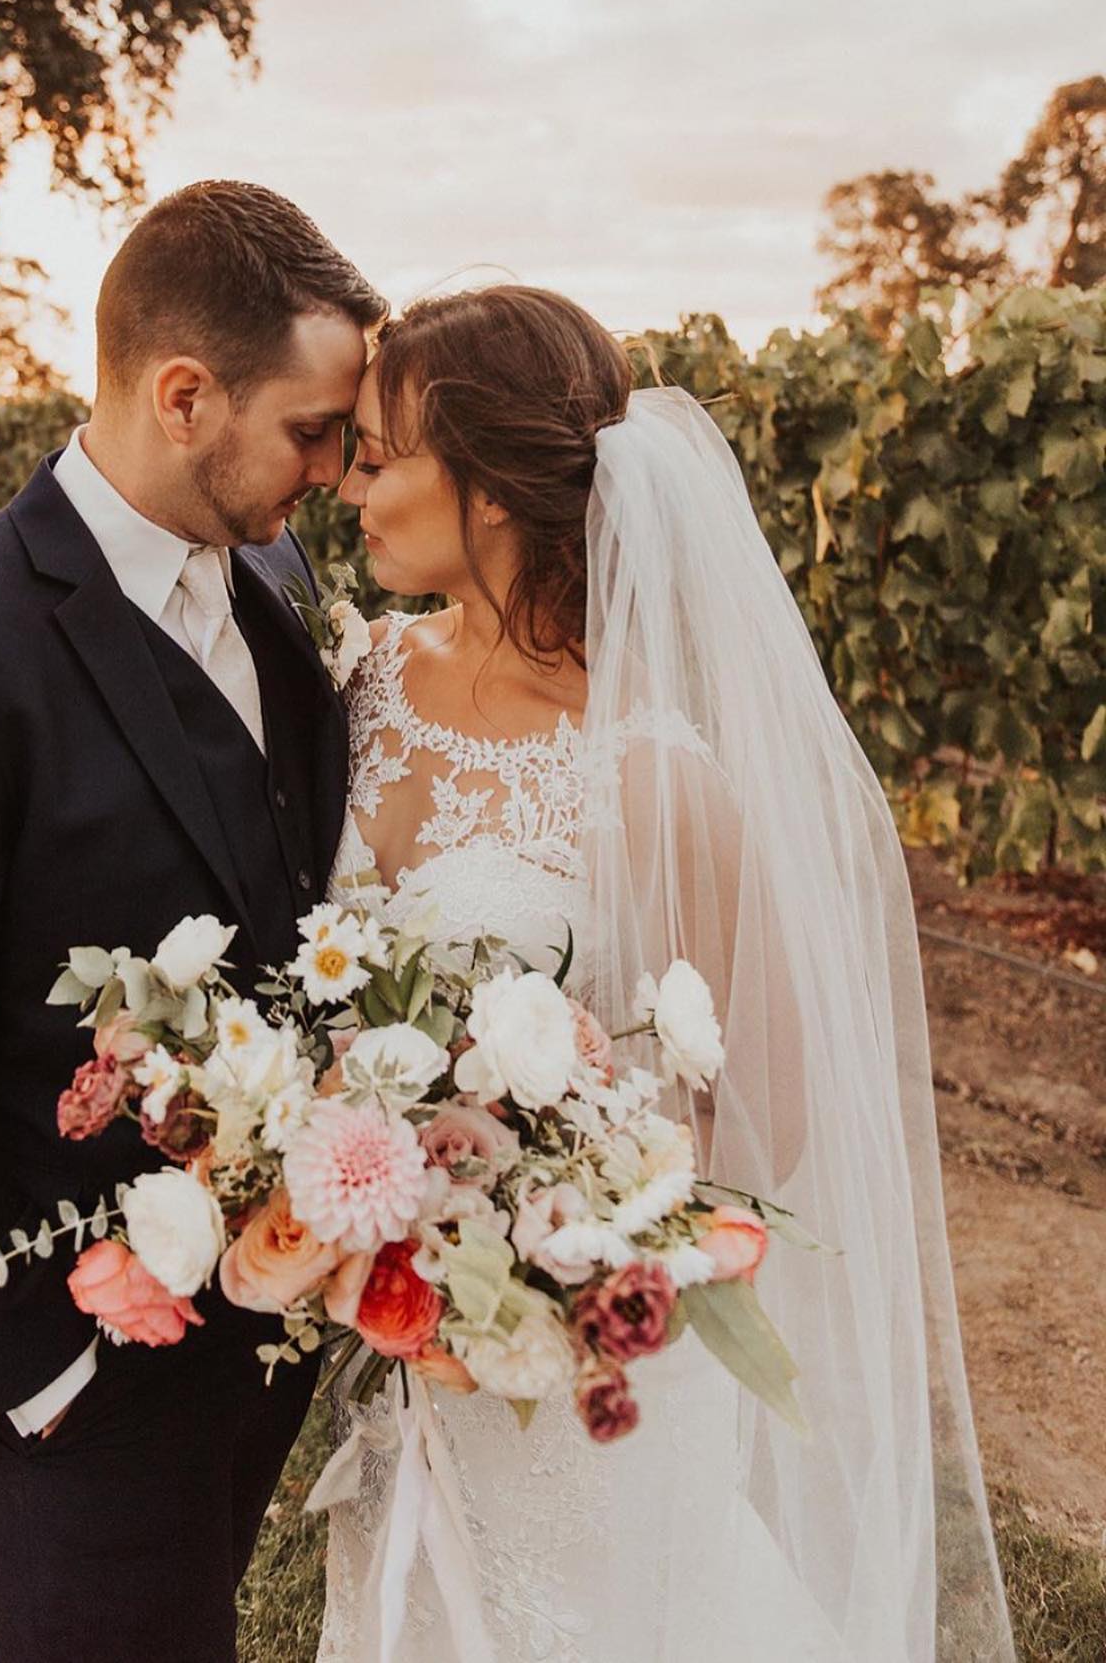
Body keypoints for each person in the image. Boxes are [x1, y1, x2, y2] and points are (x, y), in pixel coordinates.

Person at [320, 285, 1015, 1661]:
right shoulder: (362, 678)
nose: (351, 488)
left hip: (578, 1369)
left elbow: (763, 1121)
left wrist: (532, 1219)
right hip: (400, 1335)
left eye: (383, 455)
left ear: (494, 490)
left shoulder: (653, 782)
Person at [0, 180, 386, 1661]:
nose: (337, 467)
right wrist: (36, 1371)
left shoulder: (277, 570)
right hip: (84, 1372)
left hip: (265, 1330)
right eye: (315, 428)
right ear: (186, 395)